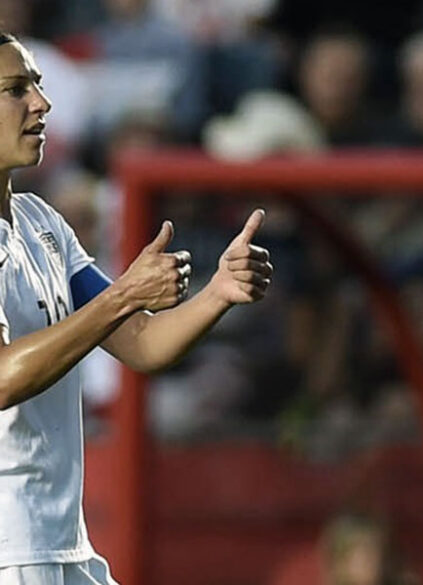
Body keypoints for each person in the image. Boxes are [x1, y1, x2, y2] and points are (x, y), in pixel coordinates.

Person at [0, 31, 273, 585]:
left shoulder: (42, 223)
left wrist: (219, 292)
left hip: (65, 546)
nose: (41, 103)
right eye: (15, 89)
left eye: (39, 85)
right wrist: (124, 293)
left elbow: (142, 342)